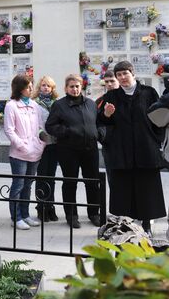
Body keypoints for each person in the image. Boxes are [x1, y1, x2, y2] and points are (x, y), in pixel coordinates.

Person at [98, 60, 166, 235]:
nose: (122, 78)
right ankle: (126, 226)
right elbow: (102, 122)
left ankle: (146, 226)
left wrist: (155, 140)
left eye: (125, 74)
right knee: (124, 191)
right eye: (118, 75)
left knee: (146, 190)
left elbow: (159, 117)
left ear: (133, 73)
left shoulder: (149, 93)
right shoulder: (111, 96)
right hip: (122, 152)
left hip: (146, 150)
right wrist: (106, 115)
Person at [46, 74, 101, 229]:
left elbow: (98, 123)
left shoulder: (91, 104)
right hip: (68, 150)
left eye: (77, 86)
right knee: (70, 182)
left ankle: (94, 213)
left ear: (81, 87)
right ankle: (71, 215)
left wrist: (98, 133)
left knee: (92, 182)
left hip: (90, 149)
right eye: (72, 86)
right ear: (66, 88)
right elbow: (50, 126)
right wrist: (68, 131)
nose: (75, 89)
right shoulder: (59, 105)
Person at [4, 75, 46, 230]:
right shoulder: (12, 105)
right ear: (19, 88)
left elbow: (40, 128)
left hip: (35, 152)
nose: (31, 89)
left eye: (31, 86)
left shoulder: (34, 105)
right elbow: (9, 130)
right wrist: (22, 146)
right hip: (19, 154)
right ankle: (16, 217)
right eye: (28, 86)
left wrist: (40, 144)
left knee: (28, 185)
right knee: (18, 185)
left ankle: (25, 215)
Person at [32, 76, 59, 222]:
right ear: (39, 87)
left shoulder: (57, 103)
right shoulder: (35, 104)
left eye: (49, 86)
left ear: (53, 88)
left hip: (54, 144)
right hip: (40, 143)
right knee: (41, 176)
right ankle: (41, 207)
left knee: (51, 177)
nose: (46, 88)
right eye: (43, 85)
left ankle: (51, 206)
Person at [96, 70, 119, 186]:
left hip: (127, 145)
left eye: (112, 81)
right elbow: (97, 122)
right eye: (107, 82)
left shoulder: (126, 97)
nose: (109, 84)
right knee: (113, 181)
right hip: (109, 146)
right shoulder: (100, 101)